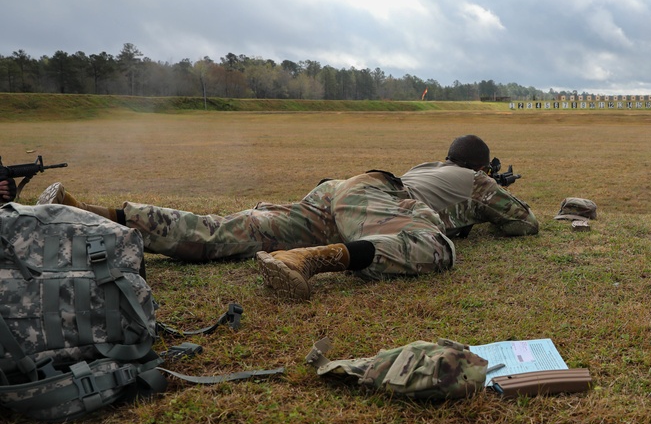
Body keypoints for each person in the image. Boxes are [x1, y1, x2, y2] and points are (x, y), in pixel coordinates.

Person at [34, 135, 538, 300]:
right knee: (438, 248)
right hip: (374, 199)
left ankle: (94, 214)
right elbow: (523, 223)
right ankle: (306, 260)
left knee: (226, 231)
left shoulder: (427, 167)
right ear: (477, 165)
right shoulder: (477, 180)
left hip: (339, 193)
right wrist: (489, 199)